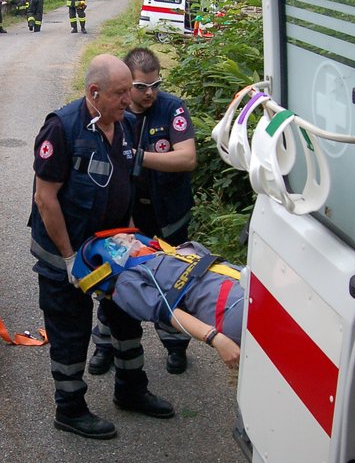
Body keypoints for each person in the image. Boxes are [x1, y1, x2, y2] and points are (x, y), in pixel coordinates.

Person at [30, 54, 175, 439]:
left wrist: (130, 236)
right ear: (94, 92)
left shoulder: (125, 126)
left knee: (126, 316)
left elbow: (122, 186)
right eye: (121, 92)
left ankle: (131, 389)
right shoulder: (62, 129)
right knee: (70, 328)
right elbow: (46, 199)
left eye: (131, 91)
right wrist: (69, 258)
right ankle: (70, 409)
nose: (130, 100)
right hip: (67, 254)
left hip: (111, 248)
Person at [89, 47, 197, 376]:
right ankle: (105, 344)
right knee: (117, 281)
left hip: (168, 216)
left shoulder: (172, 109)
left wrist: (135, 155)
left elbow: (186, 158)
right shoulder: (114, 115)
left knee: (172, 280)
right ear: (126, 85)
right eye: (140, 87)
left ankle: (175, 344)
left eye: (156, 84)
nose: (149, 93)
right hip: (128, 217)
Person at [78, 233, 244, 371]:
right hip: (232, 309)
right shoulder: (129, 279)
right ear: (115, 254)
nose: (130, 236)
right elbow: (165, 311)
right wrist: (215, 338)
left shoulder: (176, 250)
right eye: (120, 240)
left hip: (249, 286)